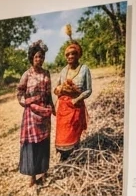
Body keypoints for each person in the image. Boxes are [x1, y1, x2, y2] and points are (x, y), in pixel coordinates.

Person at [16, 40, 53, 187]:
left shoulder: (46, 73)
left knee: (44, 144)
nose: (40, 59)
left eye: (42, 56)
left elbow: (49, 94)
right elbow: (20, 92)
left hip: (45, 114)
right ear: (32, 57)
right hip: (31, 114)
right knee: (32, 145)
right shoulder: (27, 74)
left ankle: (44, 174)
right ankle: (32, 176)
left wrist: (52, 109)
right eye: (37, 56)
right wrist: (26, 102)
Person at [52, 40, 93, 159]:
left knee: (74, 131)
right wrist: (58, 90)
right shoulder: (64, 71)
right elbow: (56, 88)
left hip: (76, 105)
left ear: (78, 55)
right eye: (68, 54)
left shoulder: (84, 69)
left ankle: (75, 156)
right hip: (63, 108)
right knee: (63, 133)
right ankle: (64, 157)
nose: (70, 56)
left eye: (73, 53)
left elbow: (88, 90)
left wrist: (77, 99)